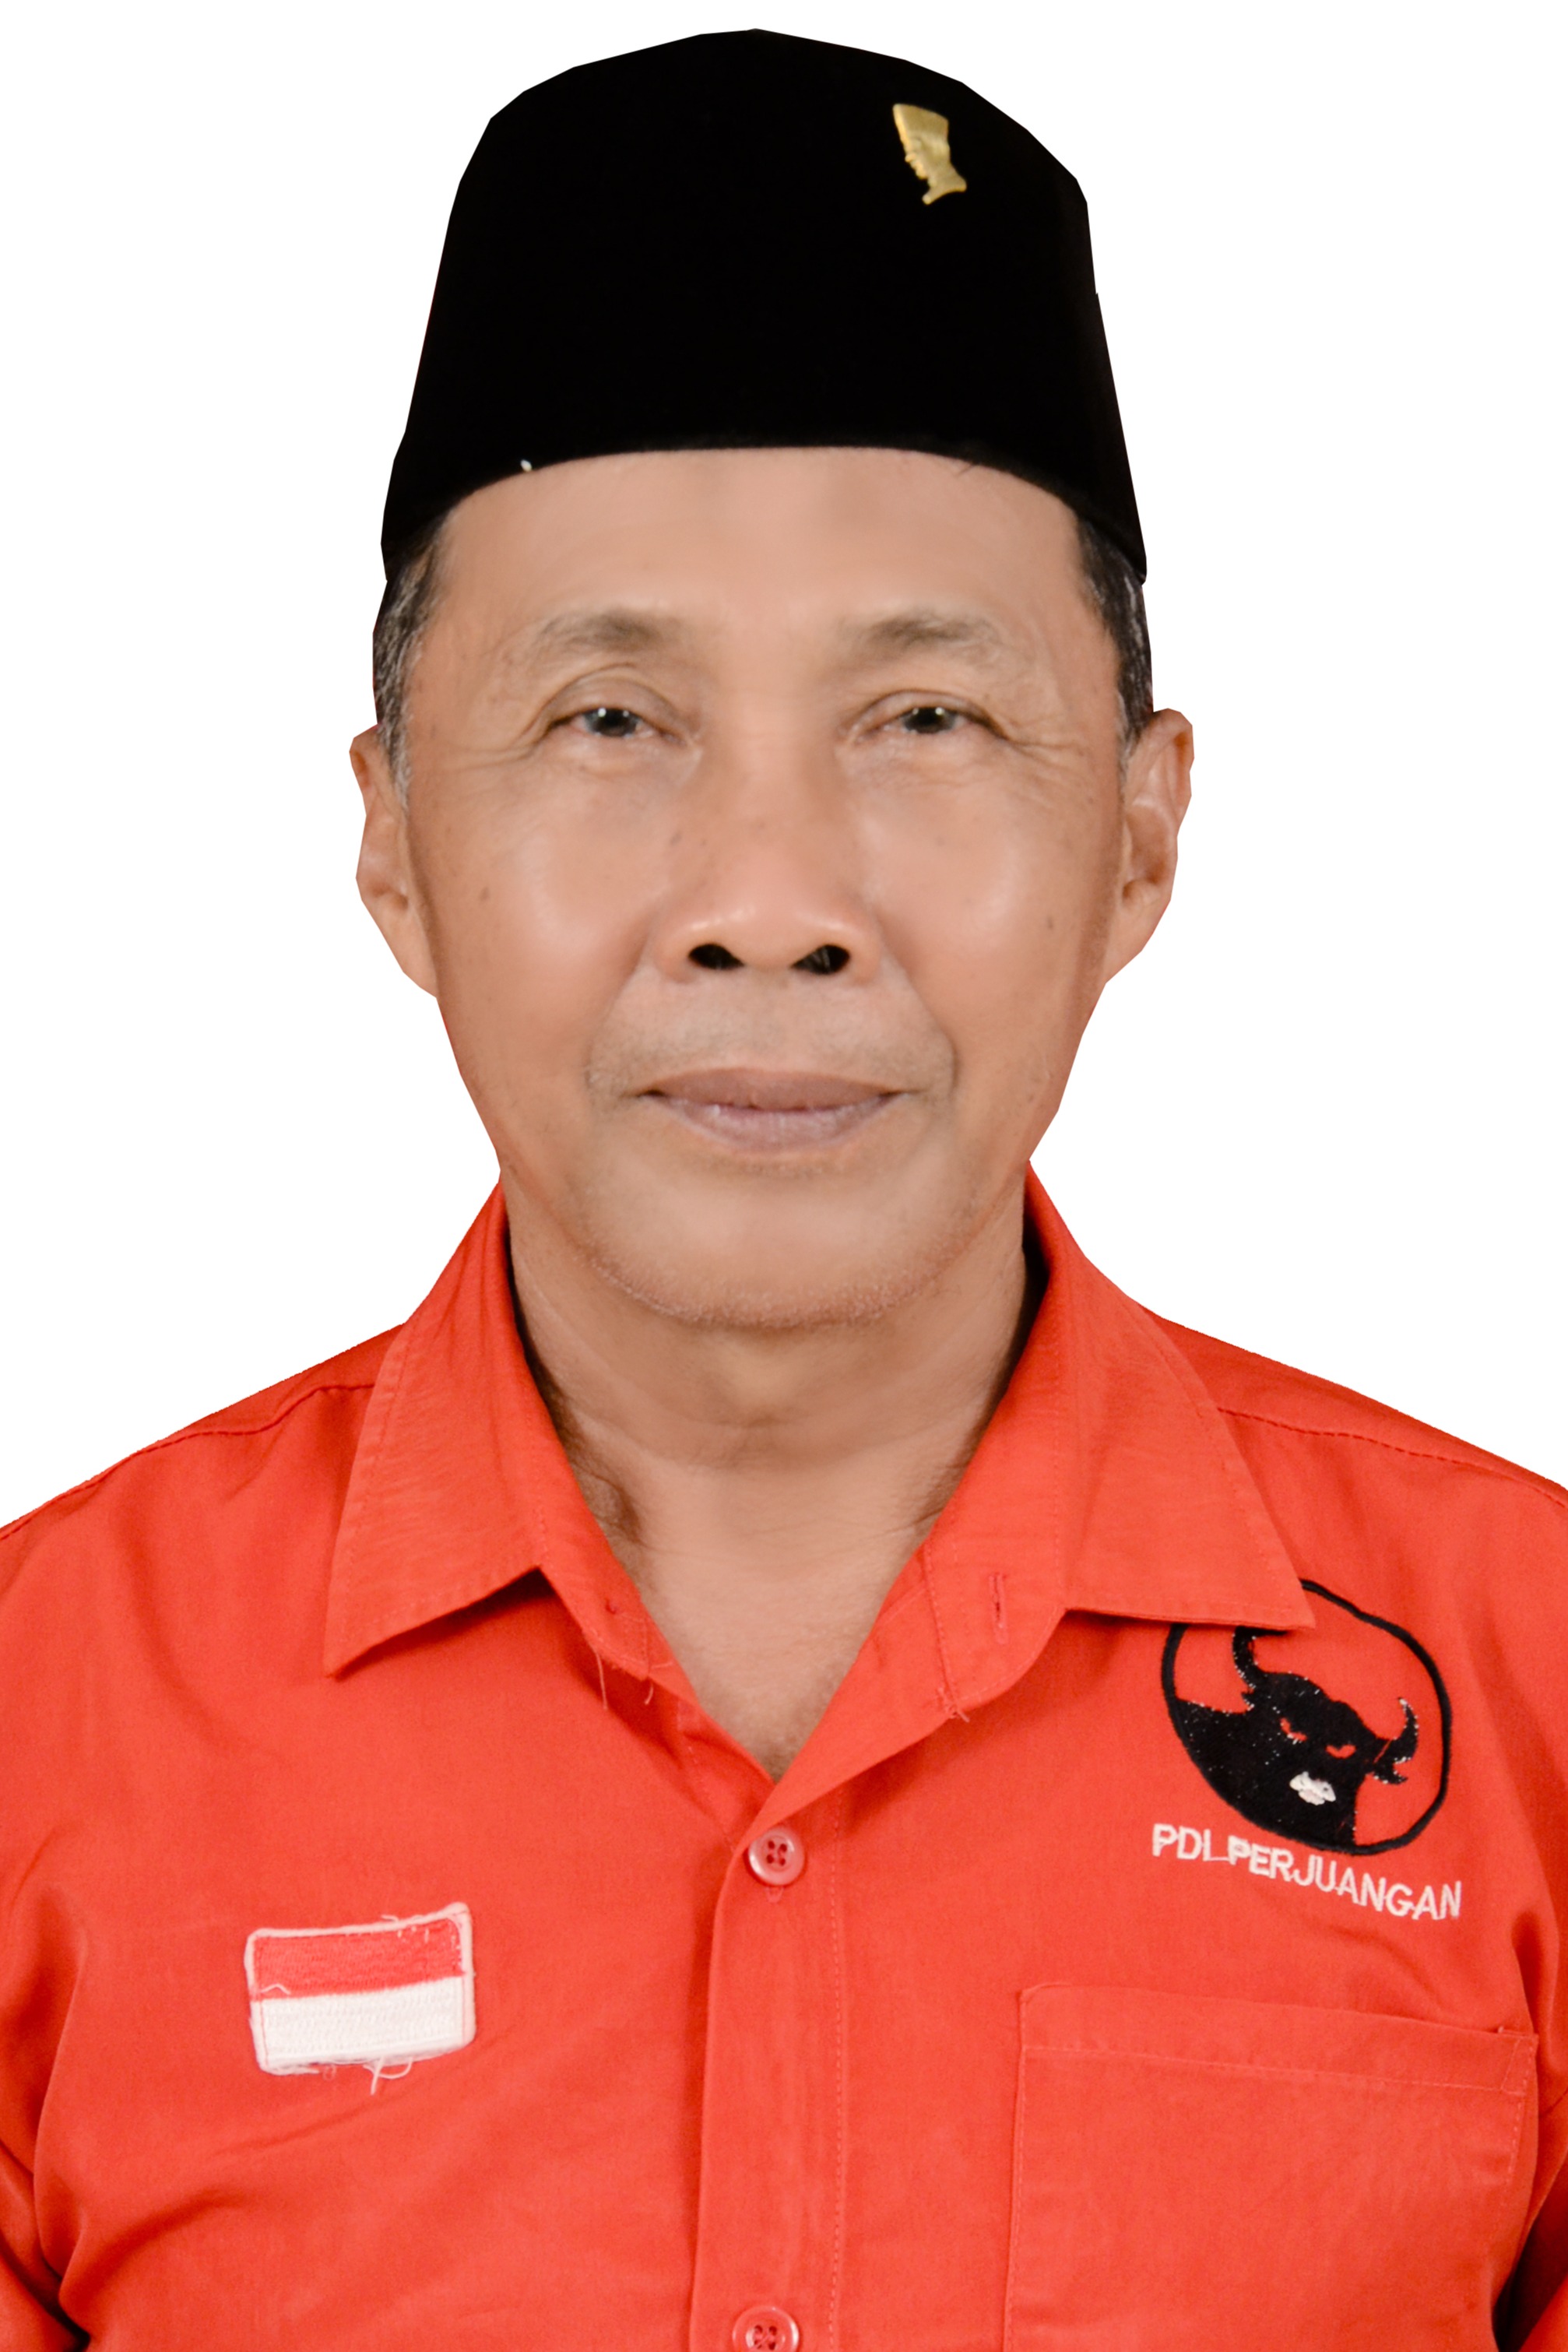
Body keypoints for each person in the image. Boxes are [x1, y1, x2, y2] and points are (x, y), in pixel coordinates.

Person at [2, 29, 1566, 2350]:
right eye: (608, 717)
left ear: (1141, 836)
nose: (767, 903)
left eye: (927, 718)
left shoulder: (1531, 1688)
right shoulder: (46, 1721)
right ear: (391, 839)